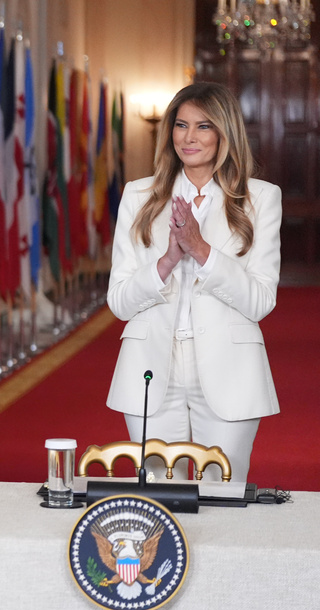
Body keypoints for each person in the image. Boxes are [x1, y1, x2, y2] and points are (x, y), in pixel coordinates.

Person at [106, 82, 281, 484]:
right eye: (181, 125)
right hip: (150, 368)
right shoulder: (138, 196)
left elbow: (259, 302)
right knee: (157, 499)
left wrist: (201, 250)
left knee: (223, 495)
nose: (189, 137)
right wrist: (166, 261)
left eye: (203, 126)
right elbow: (119, 302)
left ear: (225, 133)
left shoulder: (260, 198)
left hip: (229, 370)